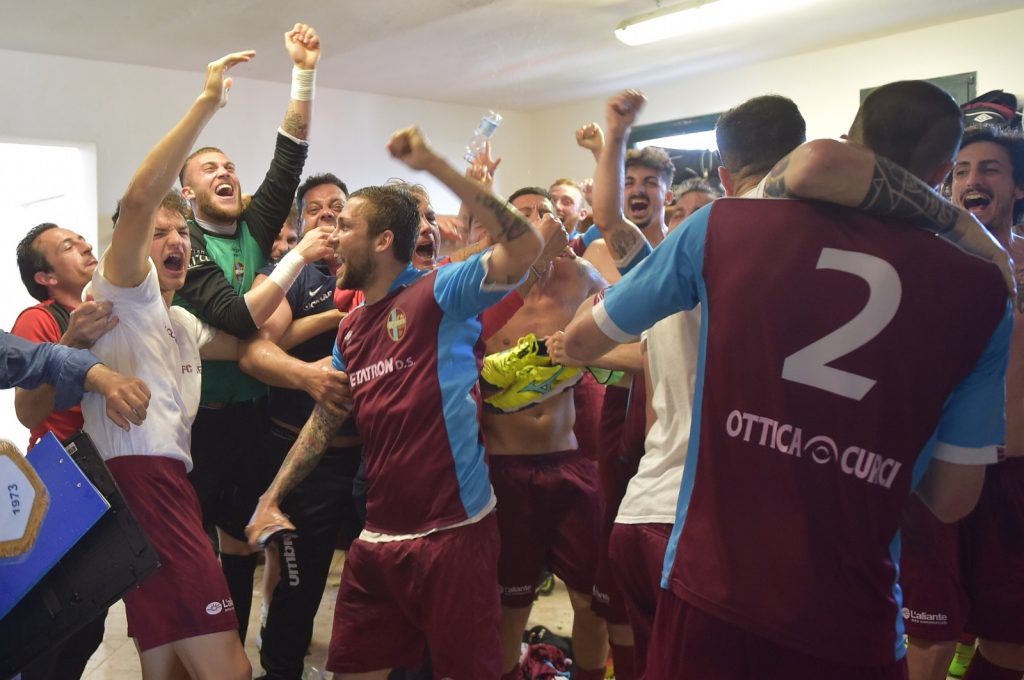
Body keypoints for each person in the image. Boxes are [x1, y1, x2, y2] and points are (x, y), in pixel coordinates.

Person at [563, 80, 1013, 679]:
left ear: (851, 142)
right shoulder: (984, 292)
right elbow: (952, 499)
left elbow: (585, 338)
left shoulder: (724, 228)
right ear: (941, 173)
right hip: (853, 613)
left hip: (712, 581)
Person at [248, 124, 542, 679]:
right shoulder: (351, 327)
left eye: (345, 225)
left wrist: (433, 164)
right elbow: (325, 419)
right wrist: (273, 494)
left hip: (455, 531)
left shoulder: (441, 291)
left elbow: (526, 246)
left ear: (383, 241)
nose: (331, 236)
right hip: (378, 538)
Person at [80, 49, 325, 680]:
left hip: (166, 482)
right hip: (144, 484)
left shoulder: (182, 322)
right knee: (229, 668)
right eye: (160, 231)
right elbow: (140, 199)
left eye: (181, 233)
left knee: (167, 663)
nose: (175, 241)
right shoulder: (123, 293)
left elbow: (244, 345)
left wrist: (325, 342)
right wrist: (207, 103)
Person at [175, 22, 322, 640]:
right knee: (197, 546)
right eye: (210, 167)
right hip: (198, 422)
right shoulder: (183, 244)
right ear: (187, 192)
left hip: (252, 416)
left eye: (230, 166)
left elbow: (289, 156)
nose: (225, 172)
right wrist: (297, 257)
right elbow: (238, 318)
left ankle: (241, 652)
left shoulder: (254, 227)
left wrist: (303, 73)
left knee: (246, 539)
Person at [898, 124, 1024, 680]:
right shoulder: (922, 261)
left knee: (1010, 643)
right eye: (962, 170)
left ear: (1018, 187)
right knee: (929, 638)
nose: (973, 180)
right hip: (935, 470)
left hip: (1011, 477)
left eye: (990, 169)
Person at [476, 186, 610, 680]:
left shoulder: (583, 277)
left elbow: (628, 332)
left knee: (593, 600)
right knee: (511, 603)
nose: (537, 221)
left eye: (545, 212)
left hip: (567, 460)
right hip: (503, 468)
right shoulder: (482, 288)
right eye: (524, 215)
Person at [239, 172, 358, 680]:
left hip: (371, 460)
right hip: (304, 462)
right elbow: (255, 349)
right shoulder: (290, 275)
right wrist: (310, 374)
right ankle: (281, 669)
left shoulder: (376, 270)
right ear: (300, 221)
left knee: (380, 583)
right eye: (314, 208)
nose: (327, 213)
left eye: (337, 205)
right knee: (297, 587)